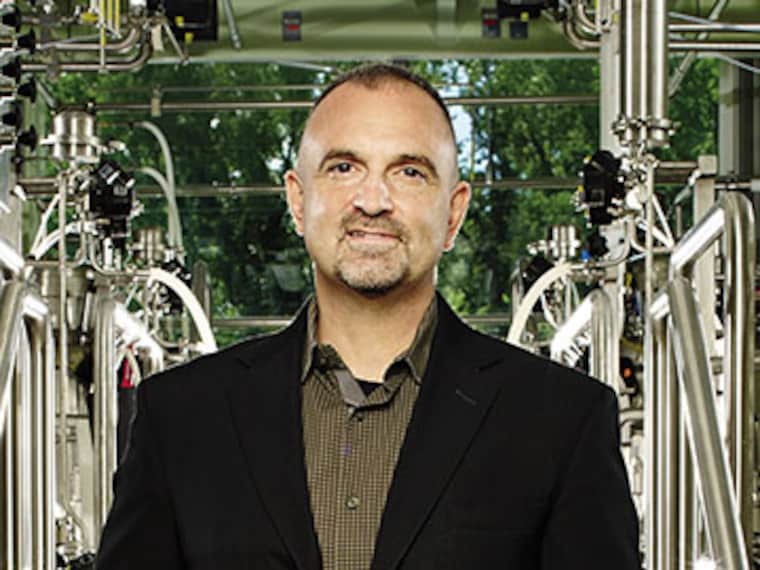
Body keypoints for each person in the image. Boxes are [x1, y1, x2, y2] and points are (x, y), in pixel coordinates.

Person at [96, 64, 640, 570]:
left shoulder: (560, 421)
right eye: (343, 167)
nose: (373, 200)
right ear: (297, 200)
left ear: (453, 212)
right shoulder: (182, 418)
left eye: (409, 172)